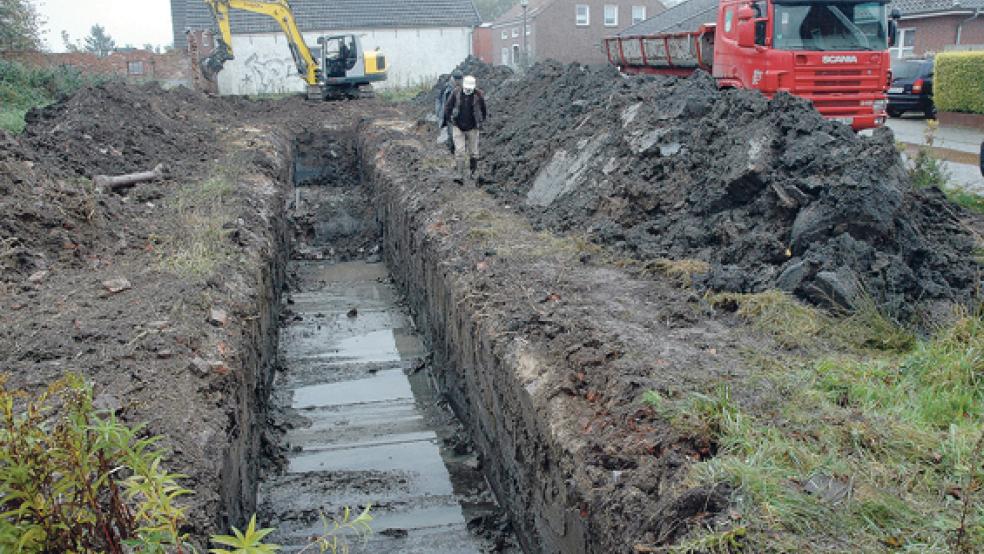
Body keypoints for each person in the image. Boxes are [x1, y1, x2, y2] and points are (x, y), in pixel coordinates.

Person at [444, 75, 487, 184]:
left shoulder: (478, 95)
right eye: (466, 88)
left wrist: (481, 121)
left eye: (470, 89)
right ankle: (459, 174)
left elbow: (483, 109)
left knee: (473, 152)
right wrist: (449, 119)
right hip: (458, 126)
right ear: (463, 86)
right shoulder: (456, 93)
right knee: (460, 151)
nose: (468, 90)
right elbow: (448, 106)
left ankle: (473, 172)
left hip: (473, 127)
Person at [435, 70, 463, 152]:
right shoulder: (446, 89)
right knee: (451, 134)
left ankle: (458, 150)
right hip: (449, 115)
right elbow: (439, 101)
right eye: (457, 80)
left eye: (460, 80)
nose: (459, 82)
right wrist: (439, 113)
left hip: (459, 115)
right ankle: (452, 150)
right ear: (454, 79)